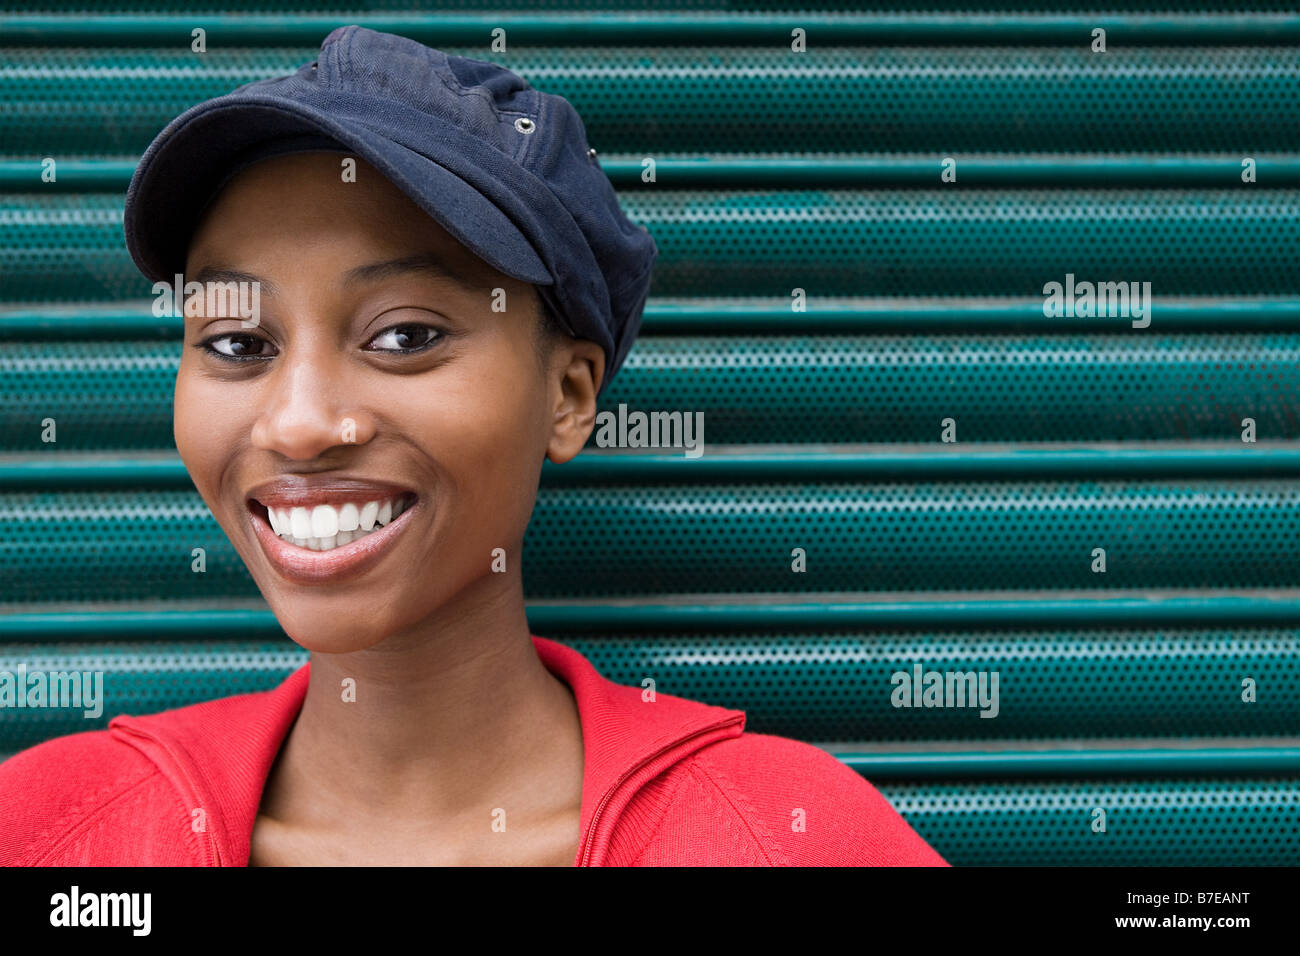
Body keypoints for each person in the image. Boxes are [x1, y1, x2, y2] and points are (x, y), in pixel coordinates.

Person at [0, 26, 947, 867]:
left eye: (404, 335)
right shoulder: (47, 829)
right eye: (238, 344)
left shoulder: (789, 836)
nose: (295, 424)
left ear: (569, 397)